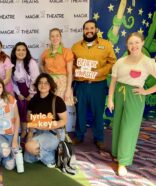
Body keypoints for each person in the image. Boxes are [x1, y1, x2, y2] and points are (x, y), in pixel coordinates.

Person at [107, 32, 156, 176]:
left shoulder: (148, 62)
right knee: (117, 125)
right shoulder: (120, 61)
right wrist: (110, 99)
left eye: (136, 42)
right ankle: (117, 153)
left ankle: (123, 161)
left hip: (135, 96)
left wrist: (146, 92)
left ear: (142, 43)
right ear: (127, 45)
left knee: (129, 128)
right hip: (119, 94)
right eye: (130, 43)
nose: (133, 46)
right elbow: (113, 82)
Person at [72, 19, 116, 149]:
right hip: (81, 85)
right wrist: (76, 70)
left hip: (98, 85)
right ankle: (79, 136)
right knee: (80, 112)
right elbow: (71, 64)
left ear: (96, 30)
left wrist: (100, 72)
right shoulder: (76, 46)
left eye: (92, 28)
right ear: (83, 30)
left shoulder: (106, 45)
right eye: (86, 28)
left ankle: (99, 138)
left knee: (98, 112)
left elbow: (112, 62)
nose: (89, 31)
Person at [24, 73, 67, 168]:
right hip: (38, 132)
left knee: (30, 147)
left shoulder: (57, 100)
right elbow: (30, 120)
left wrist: (50, 125)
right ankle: (47, 151)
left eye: (46, 83)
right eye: (40, 83)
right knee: (27, 159)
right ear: (37, 85)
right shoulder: (33, 100)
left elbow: (64, 121)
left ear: (50, 85)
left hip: (53, 133)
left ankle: (50, 159)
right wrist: (30, 135)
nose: (43, 85)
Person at [11, 42, 40, 138]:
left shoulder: (31, 62)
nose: (21, 52)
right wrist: (18, 93)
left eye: (23, 50)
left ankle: (31, 131)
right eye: (18, 50)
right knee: (21, 111)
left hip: (30, 90)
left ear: (27, 51)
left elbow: (35, 79)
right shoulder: (12, 63)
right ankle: (23, 131)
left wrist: (31, 95)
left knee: (30, 111)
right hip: (19, 90)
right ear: (15, 52)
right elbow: (12, 80)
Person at [41, 28, 74, 106]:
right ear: (49, 38)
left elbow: (70, 72)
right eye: (52, 36)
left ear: (60, 37)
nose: (55, 38)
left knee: (61, 109)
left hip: (63, 84)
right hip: (49, 84)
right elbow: (42, 66)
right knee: (49, 109)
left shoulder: (67, 51)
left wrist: (68, 89)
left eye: (57, 36)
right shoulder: (45, 53)